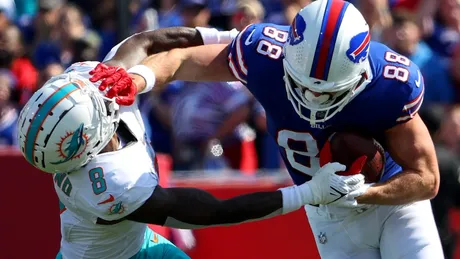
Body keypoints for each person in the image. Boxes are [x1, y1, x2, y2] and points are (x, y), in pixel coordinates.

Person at [97, 1, 444, 258]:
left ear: (362, 74)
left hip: (394, 203)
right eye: (304, 85)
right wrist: (139, 77)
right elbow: (182, 59)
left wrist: (362, 192)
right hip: (329, 214)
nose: (313, 99)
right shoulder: (265, 54)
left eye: (328, 92)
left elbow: (426, 178)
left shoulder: (391, 82)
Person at [17, 27, 365, 259]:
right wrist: (307, 193)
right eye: (98, 103)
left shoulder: (92, 83)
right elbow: (214, 211)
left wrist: (240, 36)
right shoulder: (108, 184)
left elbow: (145, 42)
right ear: (88, 145)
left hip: (135, 244)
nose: (103, 96)